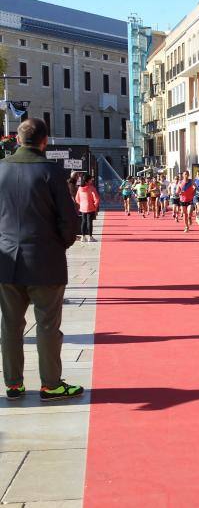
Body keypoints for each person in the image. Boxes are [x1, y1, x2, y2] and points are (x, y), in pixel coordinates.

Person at [0, 118, 83, 401]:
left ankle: (13, 383)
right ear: (44, 141)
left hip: (7, 258)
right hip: (45, 259)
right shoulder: (51, 171)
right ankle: (51, 384)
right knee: (47, 324)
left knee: (10, 324)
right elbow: (69, 219)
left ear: (17, 139)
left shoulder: (1, 168)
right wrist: (60, 243)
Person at [75, 174, 101, 242]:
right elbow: (97, 198)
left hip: (83, 207)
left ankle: (83, 237)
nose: (91, 180)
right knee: (90, 222)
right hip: (90, 207)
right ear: (87, 180)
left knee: (83, 222)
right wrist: (95, 206)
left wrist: (81, 204)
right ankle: (90, 237)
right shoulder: (91, 188)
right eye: (90, 179)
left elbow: (77, 198)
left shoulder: (80, 188)